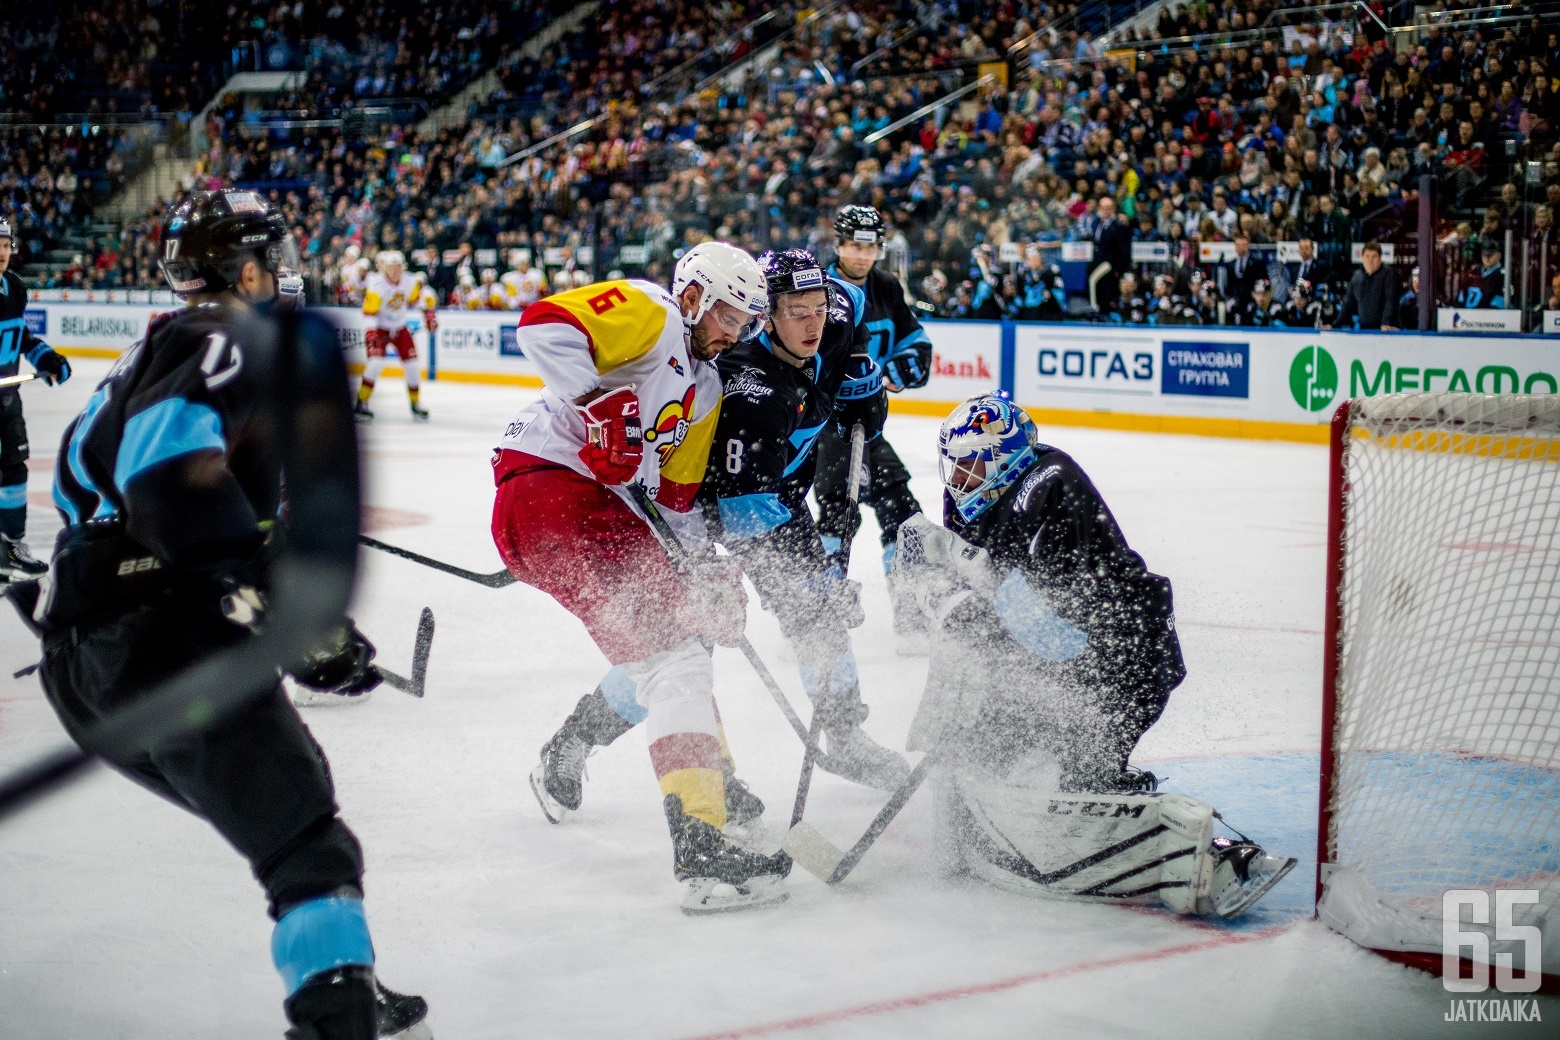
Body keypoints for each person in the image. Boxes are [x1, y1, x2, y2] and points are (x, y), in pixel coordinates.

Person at [35, 191, 430, 1040]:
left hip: (89, 663)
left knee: (289, 828)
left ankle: (344, 981)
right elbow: (172, 492)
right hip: (158, 633)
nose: (286, 271)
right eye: (275, 255)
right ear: (246, 268)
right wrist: (265, 601)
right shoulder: (218, 333)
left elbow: (137, 501)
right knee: (307, 845)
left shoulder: (160, 350)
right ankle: (337, 1011)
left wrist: (287, 598)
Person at [528, 250, 912, 832]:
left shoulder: (834, 320)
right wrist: (807, 573)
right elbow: (740, 502)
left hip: (771, 499)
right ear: (768, 317)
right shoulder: (746, 386)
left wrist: (867, 388)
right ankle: (575, 740)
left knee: (816, 616)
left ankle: (847, 733)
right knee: (684, 644)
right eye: (796, 312)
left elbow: (853, 313)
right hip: (704, 511)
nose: (813, 324)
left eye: (819, 309)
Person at [891, 392, 1296, 918]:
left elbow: (1049, 635)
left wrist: (966, 611)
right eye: (956, 467)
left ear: (1003, 457)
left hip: (1127, 659)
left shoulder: (1049, 487)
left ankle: (1202, 851)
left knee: (1085, 772)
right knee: (985, 750)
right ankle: (1015, 816)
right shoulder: (983, 496)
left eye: (970, 466)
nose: (958, 481)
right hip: (1065, 655)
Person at [491, 242, 794, 915]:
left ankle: (698, 785)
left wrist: (703, 571)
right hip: (554, 491)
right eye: (726, 314)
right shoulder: (652, 311)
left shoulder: (707, 387)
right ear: (691, 296)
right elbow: (542, 325)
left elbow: (672, 500)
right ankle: (703, 853)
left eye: (745, 320)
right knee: (678, 656)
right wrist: (595, 397)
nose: (733, 331)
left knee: (677, 643)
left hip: (579, 512)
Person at [817, 205, 932, 653]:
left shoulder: (886, 286)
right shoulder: (823, 291)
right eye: (853, 246)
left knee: (903, 514)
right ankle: (815, 621)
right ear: (838, 246)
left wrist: (909, 363)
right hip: (828, 427)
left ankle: (910, 616)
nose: (862, 255)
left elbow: (912, 340)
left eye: (870, 247)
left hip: (871, 425)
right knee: (837, 517)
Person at [0, 218, 72, 580]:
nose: (0, 252)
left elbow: (22, 337)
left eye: (4, 244)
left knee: (14, 471)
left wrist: (49, 359)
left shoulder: (14, 287)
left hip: (7, 400)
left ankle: (11, 546)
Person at [357, 251, 436, 421]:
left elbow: (417, 300)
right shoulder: (377, 285)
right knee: (375, 363)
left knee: (413, 366)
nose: (394, 271)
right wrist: (371, 333)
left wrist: (428, 314)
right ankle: (361, 402)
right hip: (380, 328)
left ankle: (415, 404)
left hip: (400, 327)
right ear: (384, 268)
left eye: (397, 267)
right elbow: (369, 312)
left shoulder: (410, 281)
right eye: (391, 267)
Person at [1328, 241, 1401, 330]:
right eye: (1367, 256)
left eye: (1374, 256)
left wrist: (1386, 323)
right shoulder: (1357, 276)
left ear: (1380, 258)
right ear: (1362, 258)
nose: (1370, 260)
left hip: (1386, 330)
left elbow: (1390, 301)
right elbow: (1348, 304)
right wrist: (1334, 325)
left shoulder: (1389, 274)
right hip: (1364, 330)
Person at [1457, 239, 1507, 309]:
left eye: (1490, 255)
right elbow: (1461, 296)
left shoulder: (1503, 275)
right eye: (1484, 254)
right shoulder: (1473, 270)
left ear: (1499, 255)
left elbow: (1499, 305)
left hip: (1488, 318)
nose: (1486, 258)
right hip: (1466, 317)